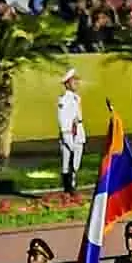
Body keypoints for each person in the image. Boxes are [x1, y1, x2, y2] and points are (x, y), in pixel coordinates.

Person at [55, 68, 87, 196]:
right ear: (67, 84)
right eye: (74, 81)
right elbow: (63, 119)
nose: (77, 83)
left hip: (78, 131)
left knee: (76, 162)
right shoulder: (64, 99)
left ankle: (72, 186)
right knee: (67, 162)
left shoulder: (76, 98)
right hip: (69, 133)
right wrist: (66, 135)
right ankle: (68, 189)